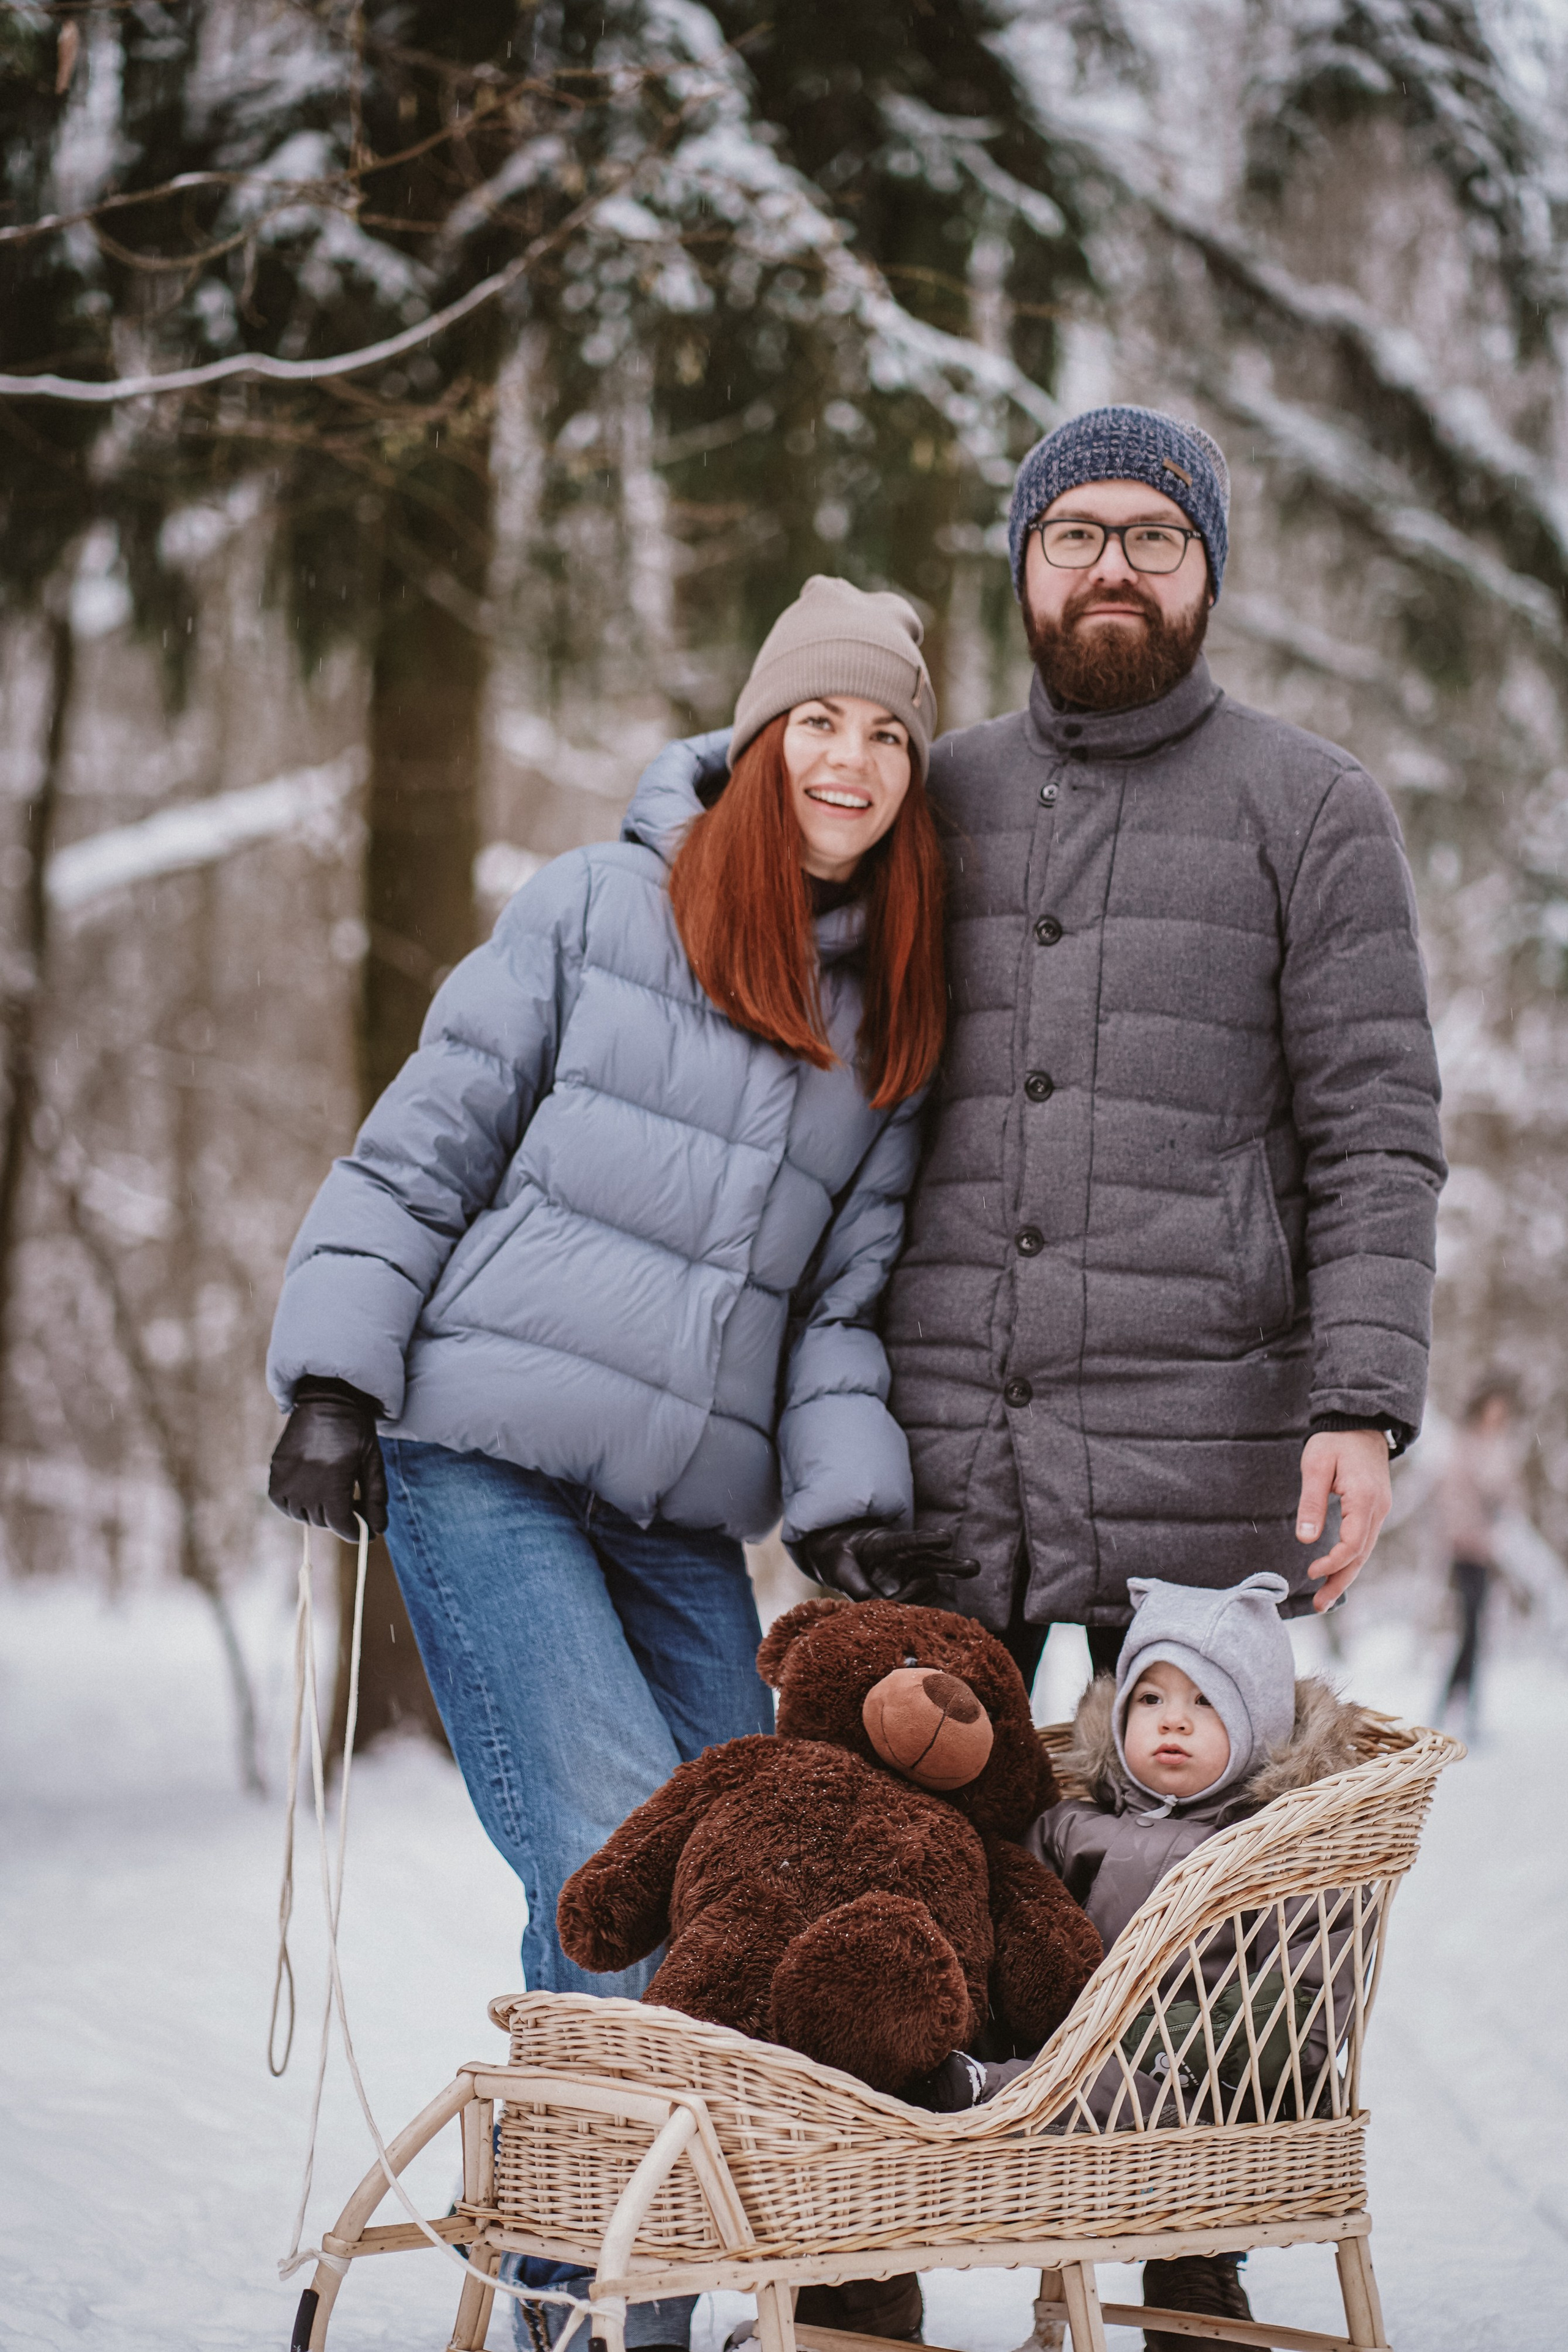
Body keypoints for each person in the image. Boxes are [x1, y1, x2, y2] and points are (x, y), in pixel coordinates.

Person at [265, 575, 964, 2352]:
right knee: (610, 1859)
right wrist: (337, 1378)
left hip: (677, 1525)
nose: (852, 759)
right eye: (822, 719)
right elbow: (423, 1146)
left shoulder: (885, 1024)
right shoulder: (596, 907)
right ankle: (598, 2315)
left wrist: (851, 1493)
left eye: (888, 734)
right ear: (758, 733)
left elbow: (839, 1310)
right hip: (481, 1461)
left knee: (748, 1882)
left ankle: (603, 2299)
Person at [878, 404, 1448, 1684]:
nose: (1111, 567)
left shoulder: (1310, 808)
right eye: (1074, 533)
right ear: (1024, 563)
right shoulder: (934, 798)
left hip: (1201, 1453)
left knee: (1172, 1878)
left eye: (1154, 535)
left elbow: (1376, 1136)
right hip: (941, 1452)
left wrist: (1358, 1405)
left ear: (1206, 571)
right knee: (905, 1864)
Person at [920, 1571, 1365, 2352]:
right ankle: (943, 2076)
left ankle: (983, 2093)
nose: (1174, 1722)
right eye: (1151, 1699)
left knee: (1118, 2086)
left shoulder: (1276, 1847)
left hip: (1215, 2085)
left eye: (1204, 1703)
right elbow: (1014, 1927)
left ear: (1257, 1724)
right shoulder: (1070, 1827)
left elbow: (1303, 2008)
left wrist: (1146, 2033)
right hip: (1068, 2050)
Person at [1435, 1376, 1522, 1736]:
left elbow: (1512, 1496)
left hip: (1490, 1552)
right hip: (1464, 1550)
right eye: (1493, 1407)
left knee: (1478, 1631)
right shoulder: (1465, 1445)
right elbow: (1452, 1499)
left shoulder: (1502, 1447)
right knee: (1470, 1629)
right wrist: (1467, 1531)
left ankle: (1460, 1706)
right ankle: (1453, 1705)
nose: (1496, 1414)